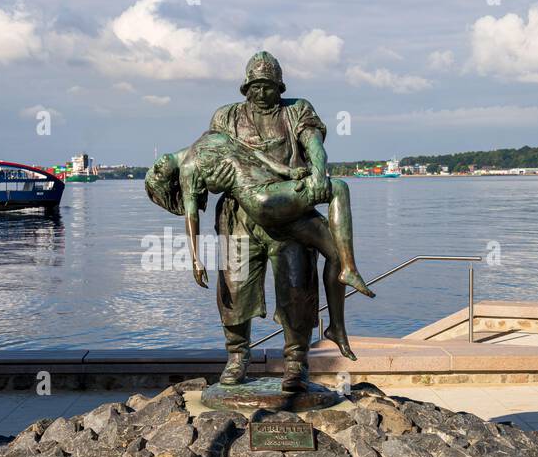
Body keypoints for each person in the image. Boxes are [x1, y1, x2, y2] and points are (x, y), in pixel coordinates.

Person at [148, 131, 373, 359]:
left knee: (335, 252)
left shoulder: (208, 137)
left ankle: (336, 326)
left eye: (154, 167)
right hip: (261, 199)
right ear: (171, 181)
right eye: (157, 173)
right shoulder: (188, 170)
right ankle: (239, 356)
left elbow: (253, 152)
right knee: (339, 188)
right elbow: (191, 216)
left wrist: (287, 171)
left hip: (271, 189)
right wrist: (196, 259)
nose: (157, 165)